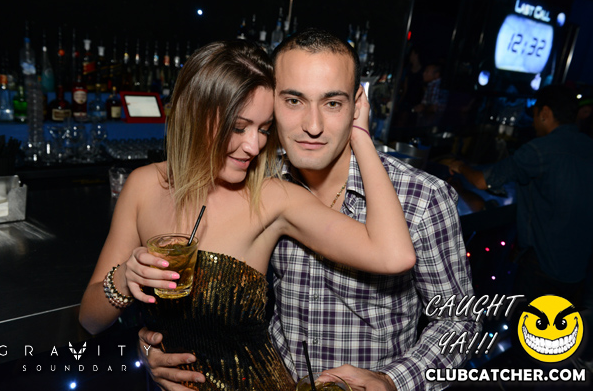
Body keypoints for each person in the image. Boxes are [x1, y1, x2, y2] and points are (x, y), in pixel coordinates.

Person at [140, 29, 479, 391]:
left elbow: (461, 323)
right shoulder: (255, 180)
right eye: (294, 101)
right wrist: (153, 347)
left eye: (332, 103)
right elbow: (203, 294)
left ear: (357, 105)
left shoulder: (421, 197)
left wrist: (392, 381)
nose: (312, 126)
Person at [79, 39, 416, 390]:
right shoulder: (143, 186)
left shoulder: (272, 197)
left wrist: (360, 136)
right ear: (195, 114)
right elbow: (90, 320)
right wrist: (126, 280)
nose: (254, 146)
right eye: (239, 127)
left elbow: (394, 255)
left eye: (264, 128)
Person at [448, 84, 593, 306]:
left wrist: (458, 166)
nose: (533, 122)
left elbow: (482, 180)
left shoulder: (539, 150)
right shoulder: (588, 145)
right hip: (579, 269)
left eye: (534, 114)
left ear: (545, 113)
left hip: (543, 266)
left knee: (530, 325)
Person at [413, 63, 447, 127]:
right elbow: (425, 102)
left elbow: (434, 108)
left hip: (435, 124)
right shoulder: (430, 85)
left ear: (436, 75)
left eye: (427, 72)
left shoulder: (436, 86)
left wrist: (423, 108)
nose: (424, 74)